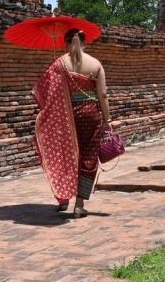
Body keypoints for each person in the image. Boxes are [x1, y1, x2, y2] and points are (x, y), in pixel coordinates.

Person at [32, 28, 111, 217]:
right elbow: (103, 95)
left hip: (65, 117)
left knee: (64, 154)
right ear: (84, 42)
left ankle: (63, 198)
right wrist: (107, 119)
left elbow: (44, 92)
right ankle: (79, 204)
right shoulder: (95, 64)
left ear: (66, 42)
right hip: (90, 115)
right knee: (88, 157)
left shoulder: (59, 64)